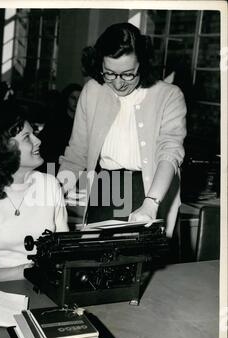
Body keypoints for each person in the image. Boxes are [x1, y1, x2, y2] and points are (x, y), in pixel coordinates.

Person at [58, 23, 187, 237]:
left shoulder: (169, 95)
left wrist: (151, 202)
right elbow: (76, 153)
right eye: (109, 73)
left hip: (149, 191)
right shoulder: (92, 91)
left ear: (142, 65)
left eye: (128, 74)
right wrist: (54, 193)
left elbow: (170, 153)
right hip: (104, 190)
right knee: (94, 261)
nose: (118, 84)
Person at [0, 104, 68, 283]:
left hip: (49, 287)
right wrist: (32, 270)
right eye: (28, 137)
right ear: (5, 147)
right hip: (4, 292)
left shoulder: (50, 185)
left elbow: (64, 251)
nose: (38, 141)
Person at [40, 83, 82, 173]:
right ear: (66, 99)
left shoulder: (84, 123)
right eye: (73, 98)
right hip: (56, 168)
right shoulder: (55, 122)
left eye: (79, 98)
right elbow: (45, 150)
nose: (77, 101)